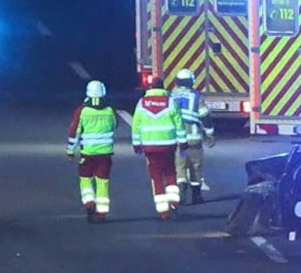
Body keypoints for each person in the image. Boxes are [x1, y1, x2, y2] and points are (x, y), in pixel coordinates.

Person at [130, 81, 184, 216]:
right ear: (163, 88)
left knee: (156, 176)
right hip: (168, 145)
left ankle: (163, 210)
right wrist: (183, 142)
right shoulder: (170, 102)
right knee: (170, 173)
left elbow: (136, 125)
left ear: (150, 88)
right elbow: (179, 123)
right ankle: (173, 202)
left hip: (150, 147)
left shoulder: (142, 103)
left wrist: (136, 144)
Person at [67, 80, 117, 218]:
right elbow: (115, 125)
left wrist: (70, 151)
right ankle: (101, 213)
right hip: (105, 154)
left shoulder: (82, 111)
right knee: (102, 182)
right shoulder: (109, 111)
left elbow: (74, 132)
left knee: (85, 179)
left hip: (87, 154)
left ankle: (89, 202)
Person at [167, 69, 213, 204]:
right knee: (196, 166)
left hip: (176, 140)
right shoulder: (196, 96)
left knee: (179, 167)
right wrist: (210, 134)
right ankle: (196, 196)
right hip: (194, 140)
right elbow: (205, 116)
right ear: (191, 82)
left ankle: (180, 194)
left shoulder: (171, 97)